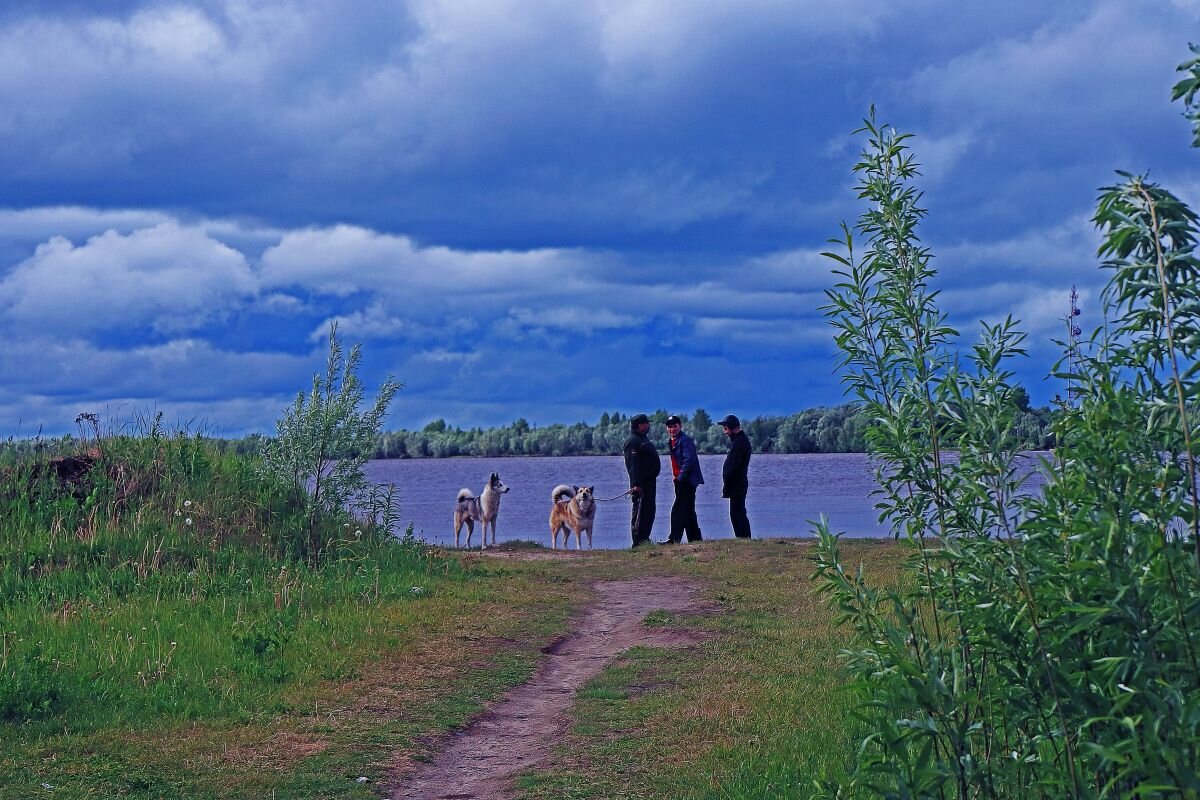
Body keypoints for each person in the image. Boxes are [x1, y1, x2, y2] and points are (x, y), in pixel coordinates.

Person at [662, 414, 703, 544]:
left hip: (687, 480)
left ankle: (673, 539)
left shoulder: (685, 440)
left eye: (675, 426)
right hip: (680, 479)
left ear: (680, 426)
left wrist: (680, 478)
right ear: (666, 428)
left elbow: (689, 461)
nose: (672, 429)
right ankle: (695, 538)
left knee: (677, 510)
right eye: (670, 427)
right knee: (688, 510)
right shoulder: (672, 441)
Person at [623, 413, 660, 547]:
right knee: (640, 512)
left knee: (649, 511)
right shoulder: (633, 441)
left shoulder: (641, 439)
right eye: (646, 423)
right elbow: (633, 466)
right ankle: (638, 542)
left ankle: (644, 538)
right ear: (640, 425)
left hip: (649, 482)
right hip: (641, 484)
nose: (649, 425)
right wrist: (636, 484)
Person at [719, 414, 752, 539]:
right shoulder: (739, 441)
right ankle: (743, 538)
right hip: (737, 484)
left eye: (726, 428)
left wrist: (728, 478)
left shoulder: (739, 443)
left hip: (737, 484)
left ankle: (743, 538)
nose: (725, 432)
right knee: (737, 512)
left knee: (737, 513)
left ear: (733, 428)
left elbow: (734, 466)